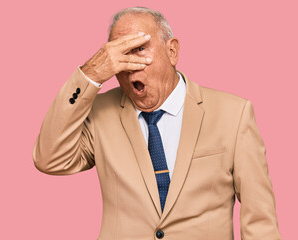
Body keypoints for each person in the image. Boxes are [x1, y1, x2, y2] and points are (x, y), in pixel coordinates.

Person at [33, 6, 282, 240]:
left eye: (139, 49)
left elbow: (260, 221)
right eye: (119, 54)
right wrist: (91, 73)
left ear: (172, 51)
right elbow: (50, 158)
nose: (128, 65)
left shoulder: (233, 114)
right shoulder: (98, 112)